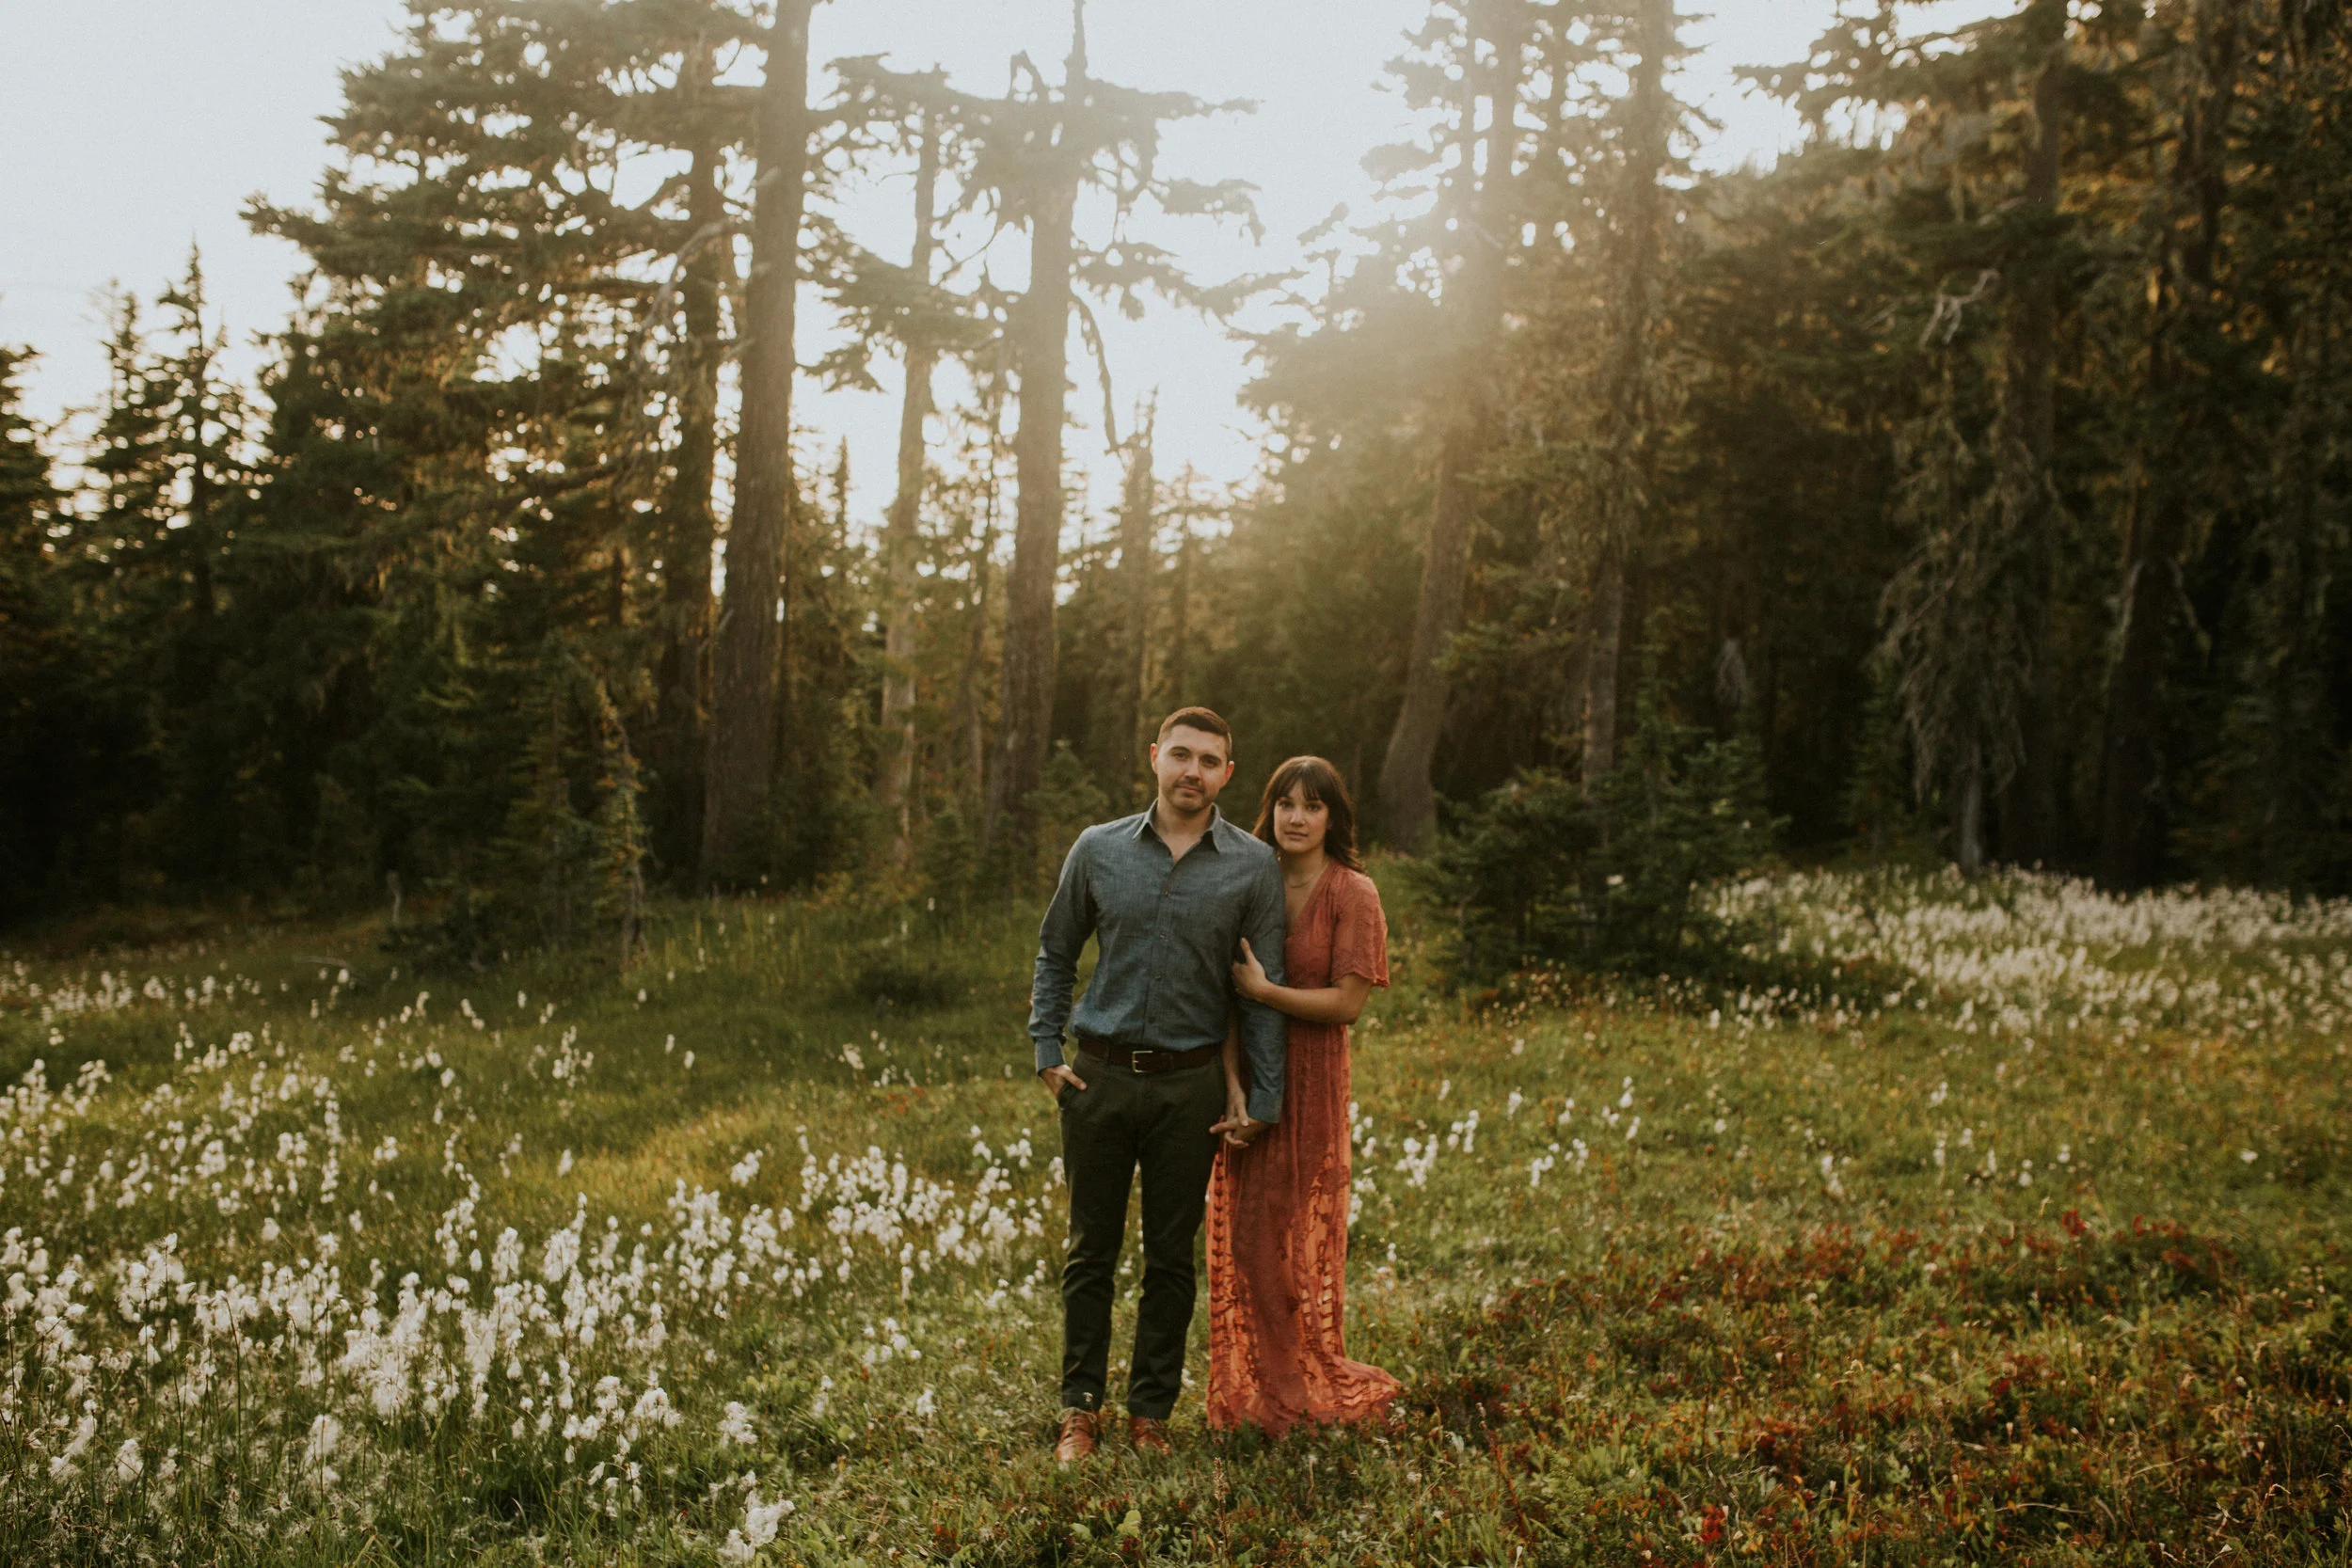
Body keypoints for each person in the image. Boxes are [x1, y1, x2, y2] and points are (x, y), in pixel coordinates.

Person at [1029, 706, 1289, 1464]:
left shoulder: (1252, 866)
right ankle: (1080, 1408)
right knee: (1090, 1249)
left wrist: (1262, 1099)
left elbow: (1260, 990)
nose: (1192, 772)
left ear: (1227, 775)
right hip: (1099, 1078)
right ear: (1154, 757)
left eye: (1209, 761)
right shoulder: (1098, 849)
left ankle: (1149, 1414)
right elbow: (1054, 951)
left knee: (1171, 1256)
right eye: (1181, 755)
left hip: (1191, 1088)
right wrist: (1049, 1049)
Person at [1205, 755, 1400, 1436]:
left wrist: (1266, 992)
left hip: (1312, 1077)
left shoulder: (1353, 892)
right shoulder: (1246, 882)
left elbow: (1347, 1004)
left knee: (1283, 1236)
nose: (1295, 816)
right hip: (1246, 1075)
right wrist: (1233, 1088)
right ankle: (1273, 1384)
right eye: (1284, 802)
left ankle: (1293, 1388)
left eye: (1311, 805)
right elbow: (1221, 1001)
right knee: (1248, 1237)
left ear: (1332, 817)